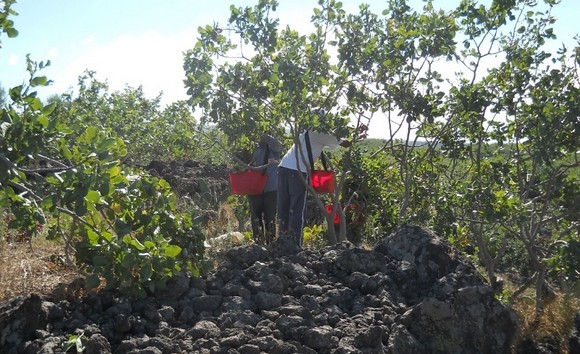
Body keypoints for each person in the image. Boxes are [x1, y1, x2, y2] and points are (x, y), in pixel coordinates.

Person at [277, 121, 352, 248]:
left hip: (283, 167)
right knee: (296, 210)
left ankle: (281, 242)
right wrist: (358, 135)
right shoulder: (320, 133)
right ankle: (295, 245)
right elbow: (345, 143)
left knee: (283, 208)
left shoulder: (304, 131)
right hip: (297, 171)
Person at [247, 133, 283, 245]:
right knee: (256, 219)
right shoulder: (252, 147)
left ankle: (271, 245)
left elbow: (279, 146)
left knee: (270, 219)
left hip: (270, 189)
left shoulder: (273, 148)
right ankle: (258, 244)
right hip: (254, 188)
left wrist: (265, 136)